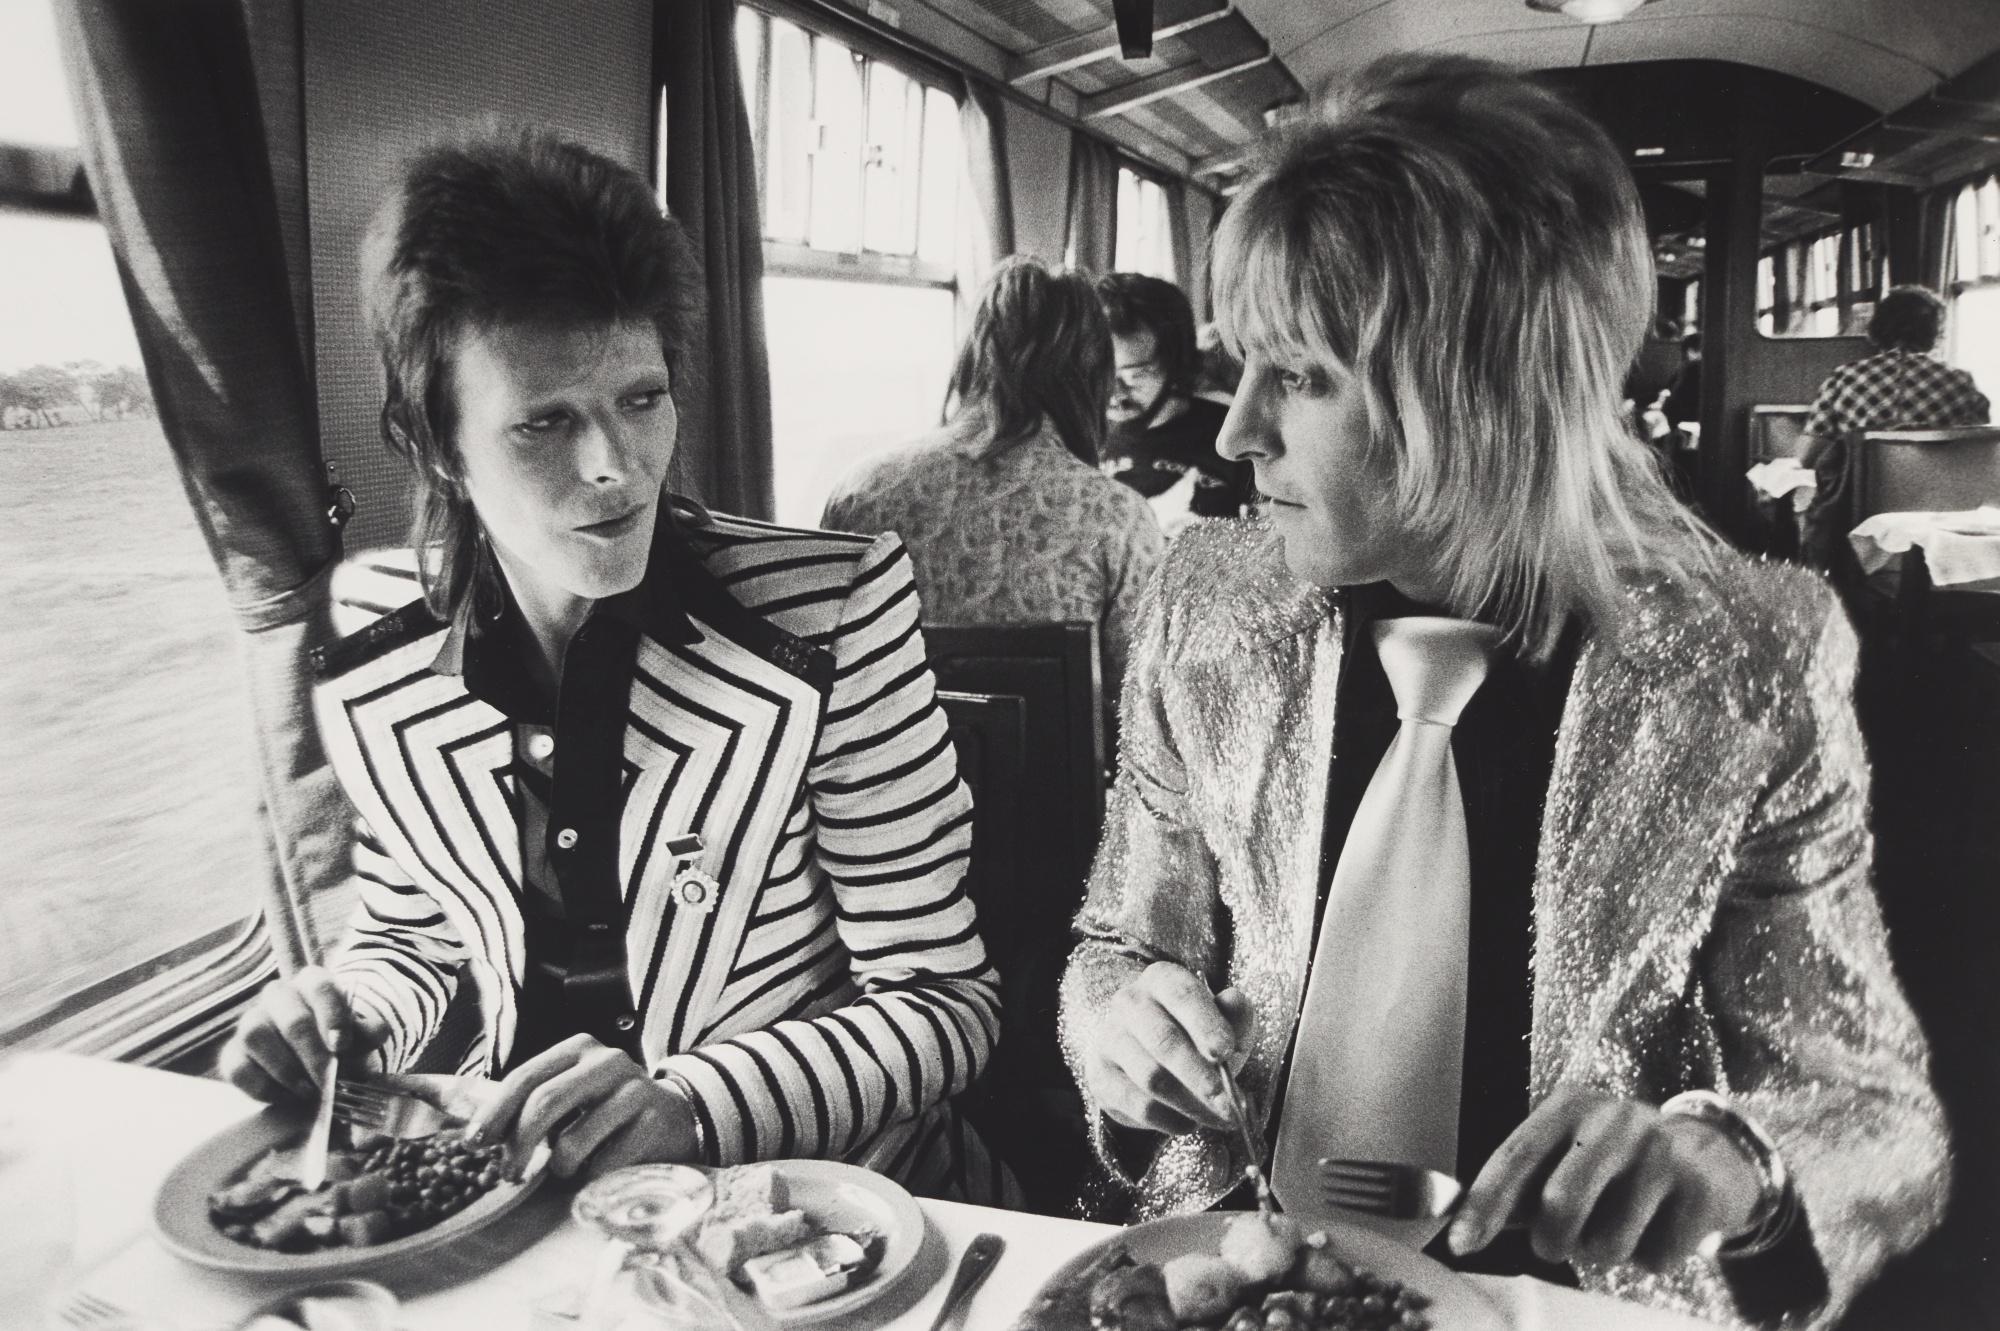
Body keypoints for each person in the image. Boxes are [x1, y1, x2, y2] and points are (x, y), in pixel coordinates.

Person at [1058, 54, 1946, 1329]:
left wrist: (1735, 1164)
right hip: (1232, 1271)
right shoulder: (1205, 602)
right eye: (1239, 368)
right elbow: (1117, 945)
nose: (1231, 432)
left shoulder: (1751, 654)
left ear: (1473, 389)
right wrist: (1118, 1034)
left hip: (1563, 1298)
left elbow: (1876, 1114)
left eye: (1299, 378)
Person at [217, 129, 1010, 1202]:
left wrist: (693, 1101)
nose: (616, 468)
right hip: (514, 1193)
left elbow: (940, 1000)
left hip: (813, 1200)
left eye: (641, 400)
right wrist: (345, 1014)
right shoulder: (371, 638)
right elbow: (411, 933)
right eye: (544, 423)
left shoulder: (830, 613)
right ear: (438, 444)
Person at [822, 257, 1162, 709]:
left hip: (886, 773)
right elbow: (1138, 710)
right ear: (1092, 376)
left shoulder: (859, 493)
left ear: (971, 356)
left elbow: (824, 665)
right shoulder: (1118, 519)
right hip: (1048, 780)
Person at [1797, 285, 1991, 566]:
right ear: (1935, 333)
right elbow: (1978, 453)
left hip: (1855, 515)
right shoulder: (1961, 381)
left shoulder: (1846, 377)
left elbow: (1807, 457)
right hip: (1940, 517)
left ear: (1879, 328)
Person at [1097, 273, 1256, 535]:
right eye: (1101, 373)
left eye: (1136, 375)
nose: (1114, 393)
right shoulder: (1077, 432)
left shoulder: (1234, 435)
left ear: (1176, 364)